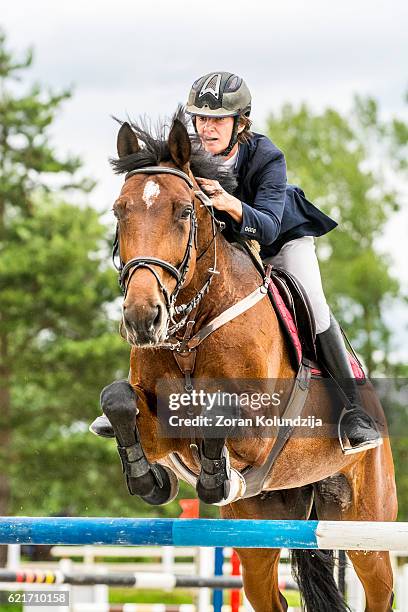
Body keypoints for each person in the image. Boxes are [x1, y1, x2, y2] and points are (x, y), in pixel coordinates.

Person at [91, 71, 381, 454]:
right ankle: (138, 395)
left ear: (240, 123)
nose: (207, 128)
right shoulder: (185, 156)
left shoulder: (267, 156)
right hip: (224, 247)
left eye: (218, 119)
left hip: (279, 238)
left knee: (313, 300)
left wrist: (231, 204)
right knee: (164, 294)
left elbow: (268, 224)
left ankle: (353, 410)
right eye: (201, 119)